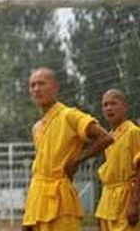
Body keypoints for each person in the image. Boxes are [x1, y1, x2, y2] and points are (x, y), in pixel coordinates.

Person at [22, 68, 114, 231]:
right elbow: (39, 170)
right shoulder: (36, 128)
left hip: (61, 199)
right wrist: (28, 215)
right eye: (32, 85)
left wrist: (77, 160)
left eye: (41, 83)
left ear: (56, 87)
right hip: (37, 199)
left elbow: (105, 137)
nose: (36, 89)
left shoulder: (69, 115)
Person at [95, 89, 140, 231]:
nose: (108, 108)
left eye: (113, 103)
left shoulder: (133, 132)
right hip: (108, 202)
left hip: (126, 199)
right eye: (105, 105)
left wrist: (134, 203)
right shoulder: (109, 136)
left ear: (125, 107)